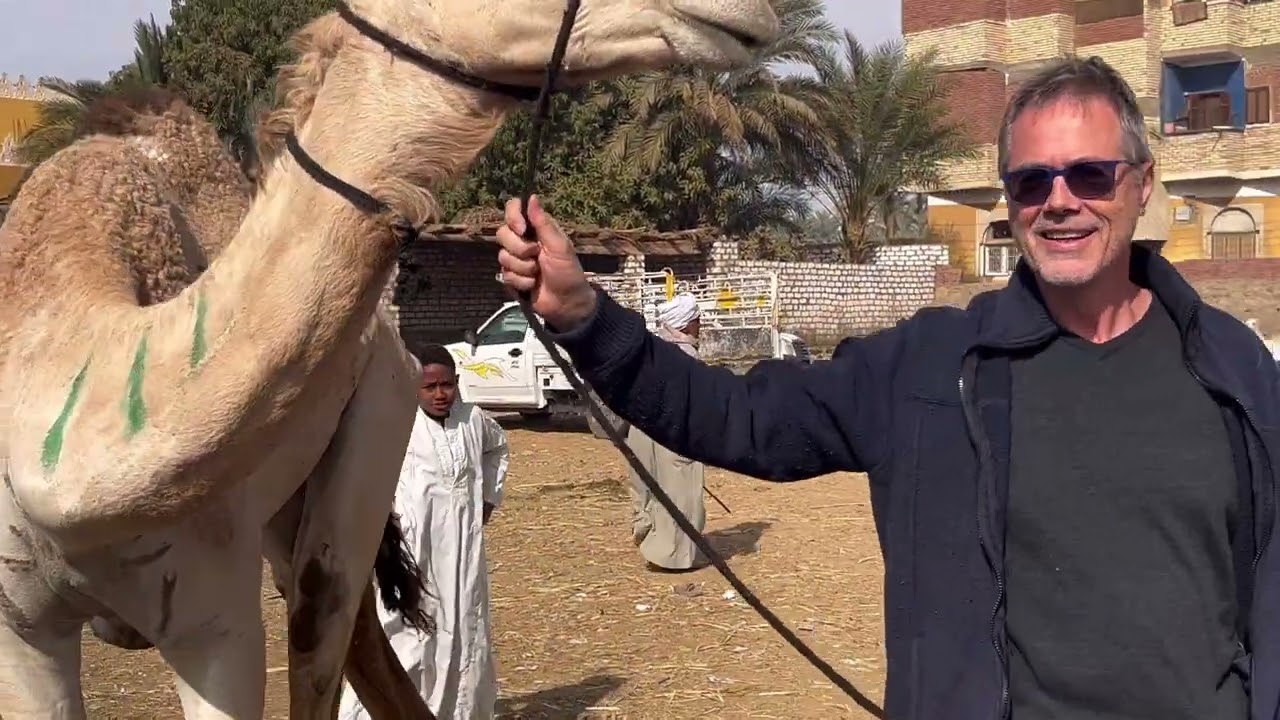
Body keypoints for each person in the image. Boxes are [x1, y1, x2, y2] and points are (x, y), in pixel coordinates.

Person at [494, 55, 1280, 720]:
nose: (1060, 200)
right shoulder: (932, 370)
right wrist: (586, 317)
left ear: (1142, 184)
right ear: (1009, 202)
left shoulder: (1236, 369)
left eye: (1089, 174)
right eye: (1032, 181)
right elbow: (733, 417)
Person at [338, 344, 509, 720]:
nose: (439, 394)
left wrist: (486, 502)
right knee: (406, 629)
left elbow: (497, 450)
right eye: (429, 386)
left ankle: (456, 712)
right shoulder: (394, 423)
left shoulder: (474, 420)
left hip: (463, 548)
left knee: (464, 625)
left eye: (446, 385)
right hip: (411, 549)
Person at [626, 292, 708, 571]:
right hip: (671, 436)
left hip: (641, 433)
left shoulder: (650, 351)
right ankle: (674, 558)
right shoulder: (686, 356)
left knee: (648, 489)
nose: (700, 327)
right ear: (685, 324)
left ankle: (650, 543)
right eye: (697, 321)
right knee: (681, 494)